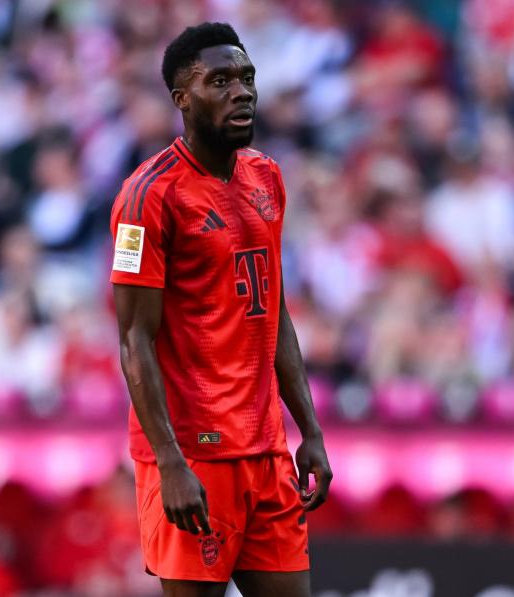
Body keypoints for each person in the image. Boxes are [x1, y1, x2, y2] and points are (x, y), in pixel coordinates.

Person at [109, 22, 332, 597]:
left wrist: (308, 427)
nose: (242, 91)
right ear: (182, 99)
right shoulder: (148, 196)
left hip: (267, 449)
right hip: (195, 455)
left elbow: (273, 310)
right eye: (221, 80)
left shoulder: (267, 176)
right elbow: (134, 339)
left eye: (248, 78)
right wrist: (169, 462)